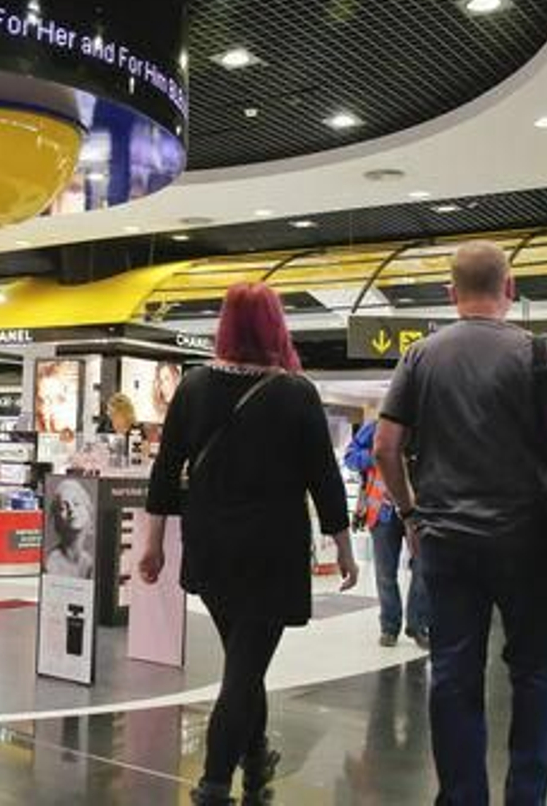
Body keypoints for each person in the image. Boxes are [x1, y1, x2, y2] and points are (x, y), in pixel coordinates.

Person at [373, 242, 547, 806]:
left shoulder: (420, 356)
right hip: (530, 541)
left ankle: (462, 796)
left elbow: (385, 447)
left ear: (451, 294)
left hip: (447, 542)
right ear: (510, 288)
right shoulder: (539, 353)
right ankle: (525, 795)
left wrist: (409, 513)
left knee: (453, 672)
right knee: (535, 669)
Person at [140, 281, 358, 806]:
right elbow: (323, 478)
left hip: (210, 545)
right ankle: (215, 783)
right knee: (244, 668)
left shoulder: (192, 387)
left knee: (244, 660)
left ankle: (256, 751)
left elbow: (166, 471)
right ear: (275, 327)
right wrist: (344, 546)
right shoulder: (296, 392)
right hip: (272, 549)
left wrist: (152, 544)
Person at [345, 419, 429, 649]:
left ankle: (417, 624)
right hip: (382, 510)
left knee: (424, 568)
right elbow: (350, 457)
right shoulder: (377, 426)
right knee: (385, 573)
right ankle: (389, 627)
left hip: (420, 509)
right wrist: (380, 456)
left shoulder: (428, 425)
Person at [43, 479, 96, 579]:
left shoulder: (89, 561)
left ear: (88, 511)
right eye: (63, 507)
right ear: (57, 519)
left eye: (76, 503)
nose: (71, 509)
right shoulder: (51, 563)